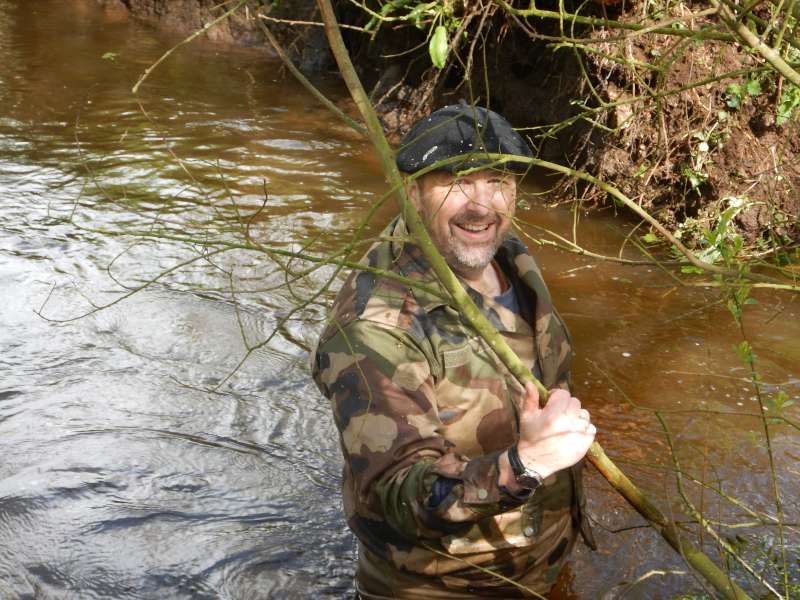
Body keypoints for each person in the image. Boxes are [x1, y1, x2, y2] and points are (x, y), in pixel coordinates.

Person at [311, 104, 597, 599]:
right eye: (456, 182)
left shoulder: (509, 255)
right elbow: (399, 498)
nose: (481, 206)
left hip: (541, 562)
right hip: (448, 587)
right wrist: (525, 463)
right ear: (412, 191)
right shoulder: (372, 330)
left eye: (498, 180)